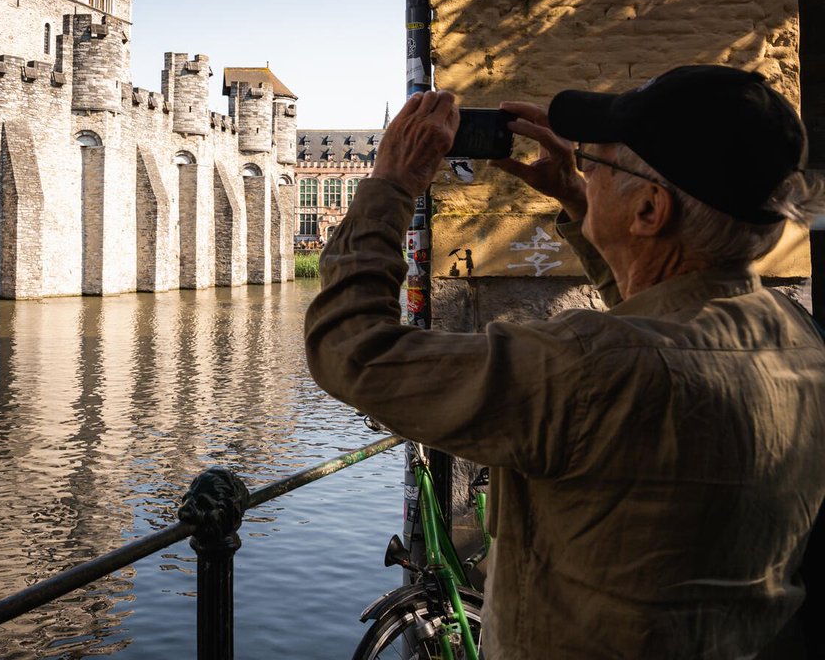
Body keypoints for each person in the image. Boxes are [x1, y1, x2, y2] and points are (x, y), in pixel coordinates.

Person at [304, 65, 825, 659]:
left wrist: (391, 187)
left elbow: (350, 349)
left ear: (651, 211)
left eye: (601, 163)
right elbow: (664, 329)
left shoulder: (591, 368)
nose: (585, 168)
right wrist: (582, 197)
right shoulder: (798, 336)